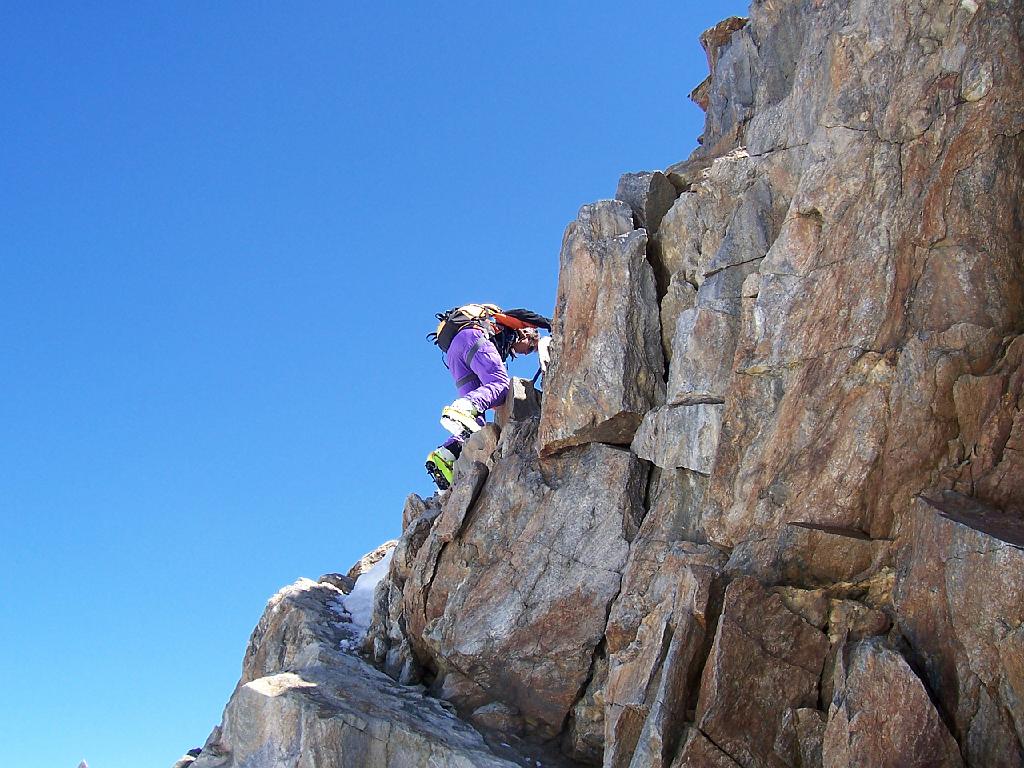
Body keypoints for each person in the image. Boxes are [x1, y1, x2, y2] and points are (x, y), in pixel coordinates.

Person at [425, 305, 550, 490]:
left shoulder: (499, 344)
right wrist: (550, 324)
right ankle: (462, 408)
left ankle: (445, 455)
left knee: (476, 424)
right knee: (500, 384)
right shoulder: (509, 326)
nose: (527, 352)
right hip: (471, 337)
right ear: (526, 333)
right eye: (530, 347)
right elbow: (525, 315)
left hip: (454, 354)